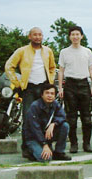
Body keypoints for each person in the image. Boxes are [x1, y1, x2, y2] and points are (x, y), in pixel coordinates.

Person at [5, 27, 56, 158]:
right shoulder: (21, 51)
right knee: (28, 118)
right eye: (35, 35)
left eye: (40, 35)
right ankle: (26, 148)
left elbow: (52, 67)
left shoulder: (48, 51)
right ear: (29, 36)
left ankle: (45, 146)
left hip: (43, 88)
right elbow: (9, 66)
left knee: (45, 118)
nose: (37, 37)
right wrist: (17, 83)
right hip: (29, 88)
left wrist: (50, 81)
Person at [58, 25, 92, 154]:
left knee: (87, 118)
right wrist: (60, 88)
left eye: (77, 34)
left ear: (81, 36)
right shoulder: (64, 52)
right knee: (71, 118)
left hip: (84, 84)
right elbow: (61, 71)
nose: (75, 37)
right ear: (69, 37)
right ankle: (73, 144)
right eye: (73, 34)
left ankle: (87, 144)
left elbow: (91, 69)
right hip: (70, 85)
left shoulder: (87, 51)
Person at [24, 83, 71, 162]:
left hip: (46, 135)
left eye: (52, 94)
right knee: (46, 159)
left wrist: (53, 124)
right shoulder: (34, 106)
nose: (49, 96)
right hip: (34, 138)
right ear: (42, 95)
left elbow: (62, 116)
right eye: (47, 93)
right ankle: (31, 151)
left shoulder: (55, 104)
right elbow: (35, 129)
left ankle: (59, 152)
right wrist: (44, 144)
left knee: (65, 126)